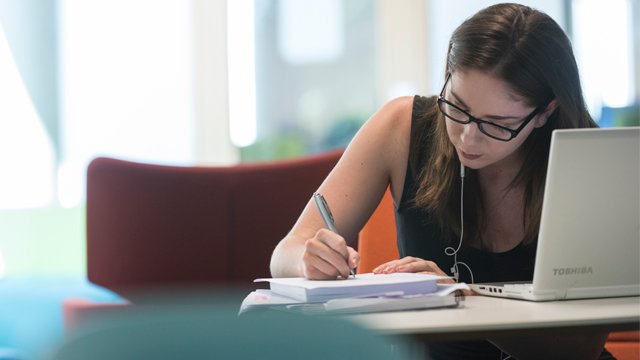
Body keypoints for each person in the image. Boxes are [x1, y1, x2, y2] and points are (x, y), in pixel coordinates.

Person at [270, 3, 614, 359]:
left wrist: (462, 299)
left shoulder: (585, 160)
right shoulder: (401, 127)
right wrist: (308, 262)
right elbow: (287, 251)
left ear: (545, 113)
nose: (467, 138)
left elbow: (580, 349)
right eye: (456, 106)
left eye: (497, 124)